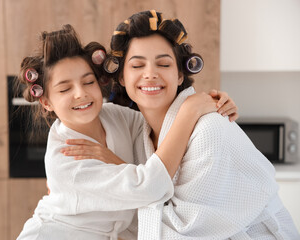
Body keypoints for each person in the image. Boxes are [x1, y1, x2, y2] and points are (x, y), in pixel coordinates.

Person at [66, 10, 299, 239]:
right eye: (137, 66)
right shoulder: (139, 130)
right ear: (122, 78)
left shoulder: (209, 131)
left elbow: (185, 229)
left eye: (164, 65)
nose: (150, 74)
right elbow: (147, 187)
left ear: (180, 75)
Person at [15, 25, 238, 240]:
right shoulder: (66, 158)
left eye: (88, 81)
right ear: (46, 102)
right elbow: (150, 188)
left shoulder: (113, 115)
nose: (80, 94)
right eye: (65, 89)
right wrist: (191, 111)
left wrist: (213, 103)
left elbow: (163, 125)